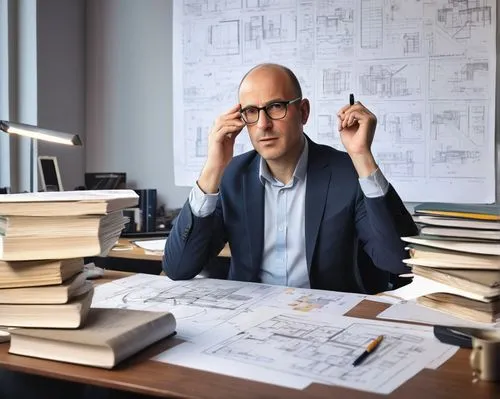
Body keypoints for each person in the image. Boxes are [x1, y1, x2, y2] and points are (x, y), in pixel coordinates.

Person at [163, 63, 418, 293]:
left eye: (276, 107)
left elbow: (400, 263)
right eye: (251, 112)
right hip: (250, 320)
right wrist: (212, 168)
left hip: (328, 322)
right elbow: (178, 267)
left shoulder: (347, 173)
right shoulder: (232, 176)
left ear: (303, 111)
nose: (263, 124)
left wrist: (362, 156)